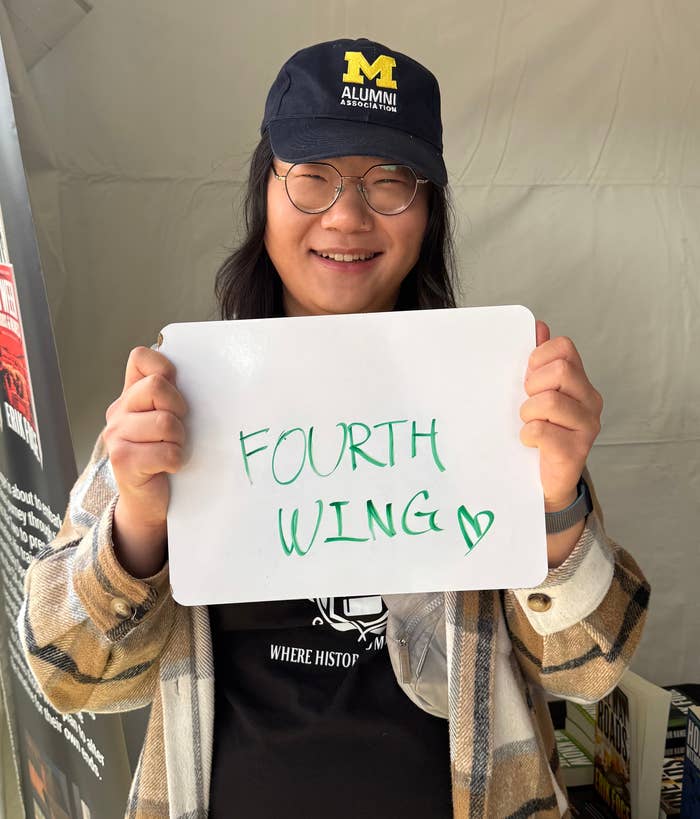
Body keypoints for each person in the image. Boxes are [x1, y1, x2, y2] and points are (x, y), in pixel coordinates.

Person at [19, 38, 649, 819]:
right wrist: (141, 522)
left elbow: (588, 670)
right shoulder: (185, 390)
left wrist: (554, 505)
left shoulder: (490, 392)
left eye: (390, 182)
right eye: (313, 178)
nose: (348, 216)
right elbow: (66, 671)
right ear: (267, 194)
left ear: (429, 211)